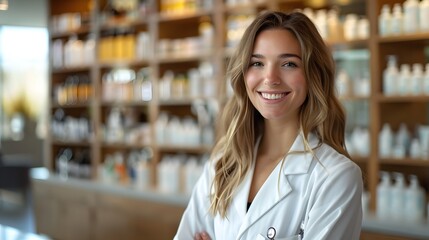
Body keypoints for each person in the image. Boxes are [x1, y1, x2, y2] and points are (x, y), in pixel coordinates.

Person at [174, 10, 363, 240]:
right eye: (257, 63)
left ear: (313, 75)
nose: (271, 78)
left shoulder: (336, 177)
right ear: (243, 74)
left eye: (289, 64)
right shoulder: (223, 164)